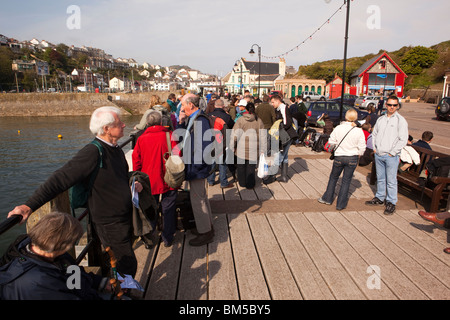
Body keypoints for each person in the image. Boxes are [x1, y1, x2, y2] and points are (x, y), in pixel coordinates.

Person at [7, 106, 141, 277]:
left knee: (121, 259)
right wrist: (29, 206)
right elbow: (61, 178)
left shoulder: (114, 149)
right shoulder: (93, 151)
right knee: (127, 262)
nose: (123, 125)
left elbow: (116, 176)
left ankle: (120, 289)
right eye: (119, 123)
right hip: (109, 220)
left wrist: (132, 182)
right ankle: (122, 293)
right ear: (106, 129)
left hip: (122, 216)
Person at [0, 212, 113, 300]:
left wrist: (99, 282)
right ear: (64, 246)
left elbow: (74, 275)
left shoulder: (56, 256)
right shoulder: (39, 282)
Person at [132, 110, 178, 247]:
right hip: (167, 178)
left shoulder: (141, 139)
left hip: (148, 180)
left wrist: (138, 178)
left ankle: (150, 237)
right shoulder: (169, 136)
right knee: (168, 207)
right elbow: (177, 155)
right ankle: (167, 237)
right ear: (161, 122)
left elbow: (136, 161)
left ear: (147, 123)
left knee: (149, 209)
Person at [177, 93, 214, 246]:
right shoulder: (193, 118)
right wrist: (180, 121)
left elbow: (204, 146)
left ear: (191, 105)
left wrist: (196, 168)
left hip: (196, 168)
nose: (181, 108)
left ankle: (205, 233)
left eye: (183, 105)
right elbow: (182, 137)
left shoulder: (200, 120)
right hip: (194, 166)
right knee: (201, 197)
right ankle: (206, 226)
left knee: (198, 200)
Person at [365, 95, 408, 215]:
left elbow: (403, 139)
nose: (392, 107)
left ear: (398, 106)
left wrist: (392, 152)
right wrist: (375, 148)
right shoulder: (381, 119)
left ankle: (391, 202)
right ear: (386, 105)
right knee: (381, 178)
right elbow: (375, 134)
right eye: (390, 105)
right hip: (379, 153)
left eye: (395, 105)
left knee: (391, 180)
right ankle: (379, 197)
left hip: (391, 156)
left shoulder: (401, 121)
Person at [318, 109, 366, 210]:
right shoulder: (358, 131)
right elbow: (362, 147)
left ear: (346, 117)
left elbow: (331, 142)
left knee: (333, 178)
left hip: (339, 156)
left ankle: (327, 198)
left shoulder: (339, 128)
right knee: (346, 181)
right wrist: (359, 154)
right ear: (356, 118)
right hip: (352, 157)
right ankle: (340, 204)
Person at [230, 102, 266, 189]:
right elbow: (263, 136)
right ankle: (250, 184)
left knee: (241, 166)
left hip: (241, 148)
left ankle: (242, 183)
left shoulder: (241, 120)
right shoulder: (258, 120)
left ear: (246, 109)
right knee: (251, 167)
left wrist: (231, 146)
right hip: (254, 148)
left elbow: (234, 134)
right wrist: (263, 149)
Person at [263, 94, 298, 184]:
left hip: (286, 136)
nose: (272, 104)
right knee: (284, 156)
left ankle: (271, 176)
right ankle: (284, 177)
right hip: (287, 136)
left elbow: (287, 122)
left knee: (279, 155)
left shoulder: (283, 108)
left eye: (273, 102)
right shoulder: (280, 108)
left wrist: (279, 130)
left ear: (278, 101)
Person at [207, 98, 235, 188]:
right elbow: (232, 126)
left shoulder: (208, 115)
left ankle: (210, 180)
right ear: (223, 106)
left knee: (211, 161)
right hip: (222, 141)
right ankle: (223, 182)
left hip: (210, 141)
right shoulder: (226, 117)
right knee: (222, 162)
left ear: (215, 106)